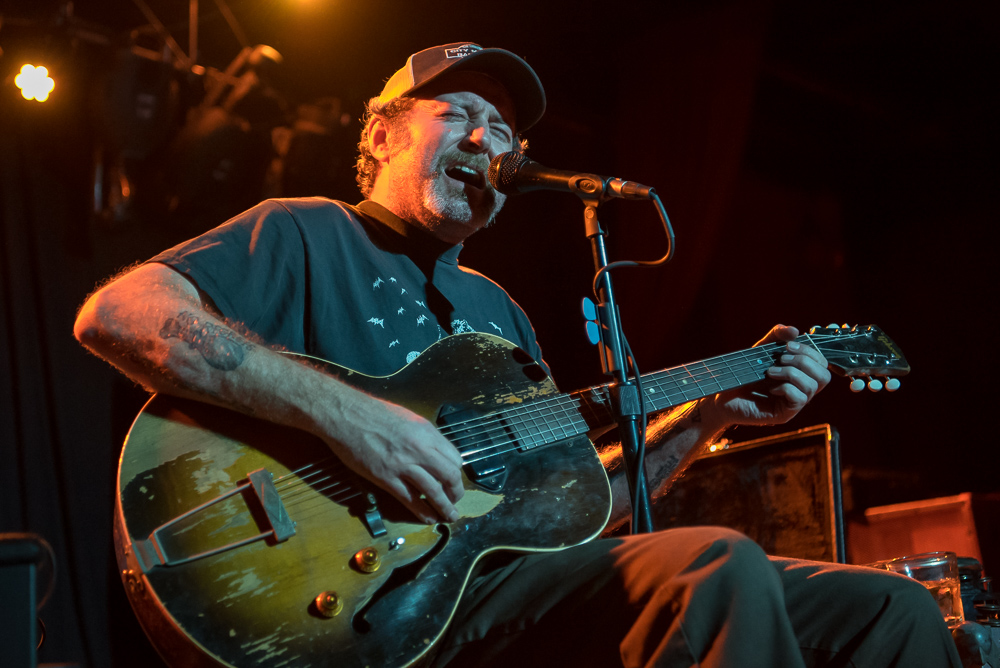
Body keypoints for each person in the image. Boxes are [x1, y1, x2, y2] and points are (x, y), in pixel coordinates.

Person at [75, 42, 960, 667]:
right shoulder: (305, 232)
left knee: (891, 607)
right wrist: (353, 420)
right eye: (456, 111)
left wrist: (712, 416)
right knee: (712, 566)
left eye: (501, 129)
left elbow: (572, 514)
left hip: (487, 588)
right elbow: (120, 313)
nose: (482, 138)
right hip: (366, 601)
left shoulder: (496, 314)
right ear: (381, 135)